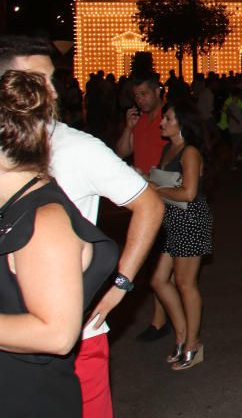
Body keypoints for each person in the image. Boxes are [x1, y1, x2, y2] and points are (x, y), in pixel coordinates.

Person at [1, 36, 164, 418]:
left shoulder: (75, 148)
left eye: (51, 80)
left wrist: (121, 285)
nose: (51, 92)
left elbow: (149, 205)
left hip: (75, 336)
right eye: (35, 82)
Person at [0, 70, 120, 417]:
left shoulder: (45, 222)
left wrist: (123, 284)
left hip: (30, 401)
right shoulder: (16, 207)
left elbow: (56, 333)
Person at [149, 101, 214, 369]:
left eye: (168, 118)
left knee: (185, 284)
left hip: (190, 219)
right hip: (173, 220)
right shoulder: (169, 149)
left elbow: (188, 192)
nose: (162, 122)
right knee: (159, 280)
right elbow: (167, 185)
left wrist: (155, 189)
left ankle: (192, 344)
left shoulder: (189, 153)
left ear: (182, 123)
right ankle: (181, 335)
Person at [114, 71, 172, 343]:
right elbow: (121, 152)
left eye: (144, 93)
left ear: (158, 91)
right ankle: (168, 317)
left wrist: (154, 177)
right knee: (155, 264)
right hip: (144, 199)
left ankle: (162, 320)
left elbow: (182, 157)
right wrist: (128, 127)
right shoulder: (138, 120)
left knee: (161, 265)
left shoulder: (169, 118)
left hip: (166, 196)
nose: (140, 99)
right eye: (136, 95)